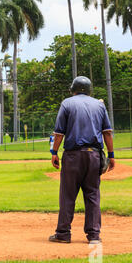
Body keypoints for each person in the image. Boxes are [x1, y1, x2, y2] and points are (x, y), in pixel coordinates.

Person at [49, 76, 115, 245]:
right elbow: (107, 132)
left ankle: (63, 233)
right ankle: (94, 235)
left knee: (68, 195)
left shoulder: (67, 103)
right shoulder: (99, 105)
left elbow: (59, 133)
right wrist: (111, 155)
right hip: (94, 155)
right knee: (93, 195)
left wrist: (54, 152)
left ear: (74, 89)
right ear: (90, 89)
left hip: (72, 156)